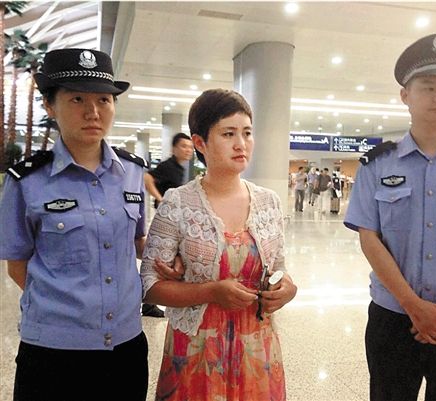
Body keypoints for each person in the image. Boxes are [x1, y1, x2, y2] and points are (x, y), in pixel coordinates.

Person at [0, 48, 151, 401]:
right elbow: (17, 264)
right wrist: (69, 307)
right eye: (77, 99)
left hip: (126, 347)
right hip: (53, 352)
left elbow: (137, 244)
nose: (93, 112)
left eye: (104, 100)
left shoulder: (132, 172)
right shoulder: (26, 180)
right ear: (50, 105)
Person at [344, 33, 436, 401]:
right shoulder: (377, 165)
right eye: (429, 87)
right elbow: (369, 238)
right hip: (393, 319)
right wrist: (412, 305)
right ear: (405, 95)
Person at [140, 88, 297, 401]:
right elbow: (149, 286)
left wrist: (288, 289)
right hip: (196, 350)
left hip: (257, 349)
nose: (241, 144)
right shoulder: (178, 203)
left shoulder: (268, 202)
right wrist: (210, 291)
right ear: (200, 143)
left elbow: (279, 268)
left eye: (247, 133)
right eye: (228, 134)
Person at [142, 132, 194, 318]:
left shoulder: (180, 168)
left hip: (175, 220)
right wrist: (160, 198)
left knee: (169, 260)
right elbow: (147, 178)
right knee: (160, 260)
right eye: (183, 146)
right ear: (174, 148)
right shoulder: (168, 166)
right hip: (165, 221)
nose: (188, 150)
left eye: (190, 147)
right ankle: (149, 303)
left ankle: (152, 302)